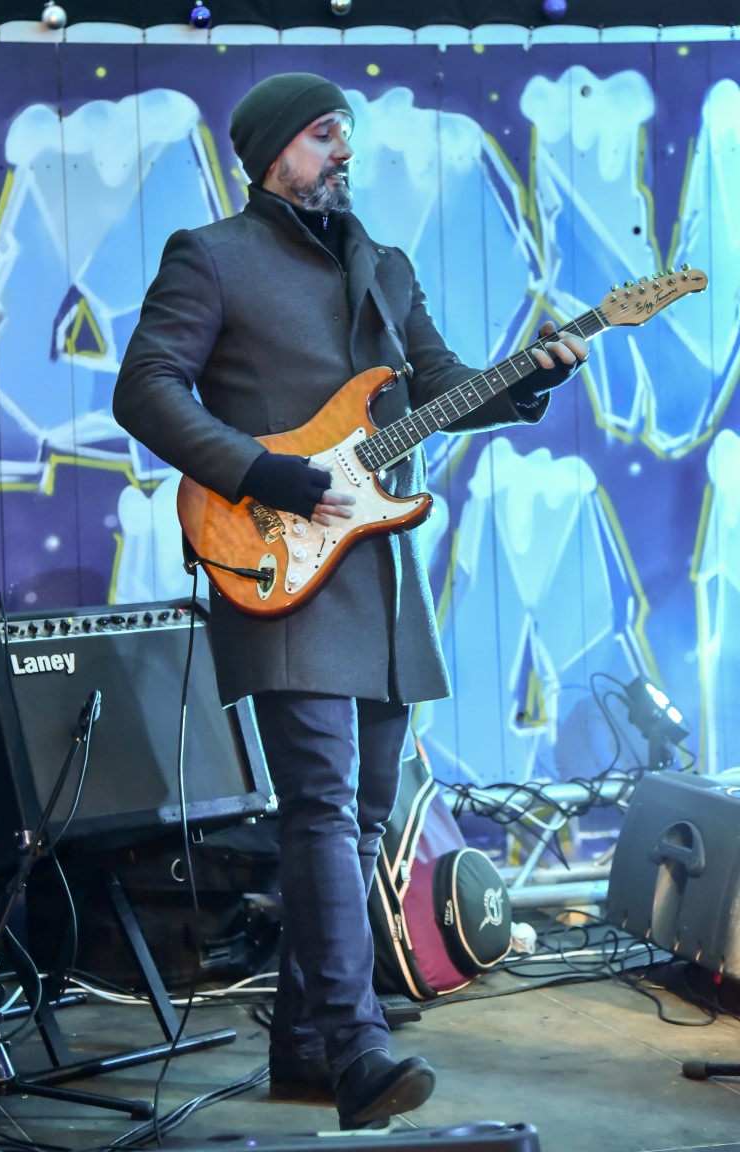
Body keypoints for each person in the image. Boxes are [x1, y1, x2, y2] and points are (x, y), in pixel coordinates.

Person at [113, 71, 588, 1129]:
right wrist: (263, 473)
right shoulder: (212, 256)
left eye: (348, 135)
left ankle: (302, 1046)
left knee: (365, 816)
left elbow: (438, 385)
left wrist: (523, 384)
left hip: (376, 572)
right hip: (276, 554)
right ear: (272, 149)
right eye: (325, 133)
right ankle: (358, 1049)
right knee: (323, 811)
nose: (345, 151)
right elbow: (144, 388)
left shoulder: (384, 264)